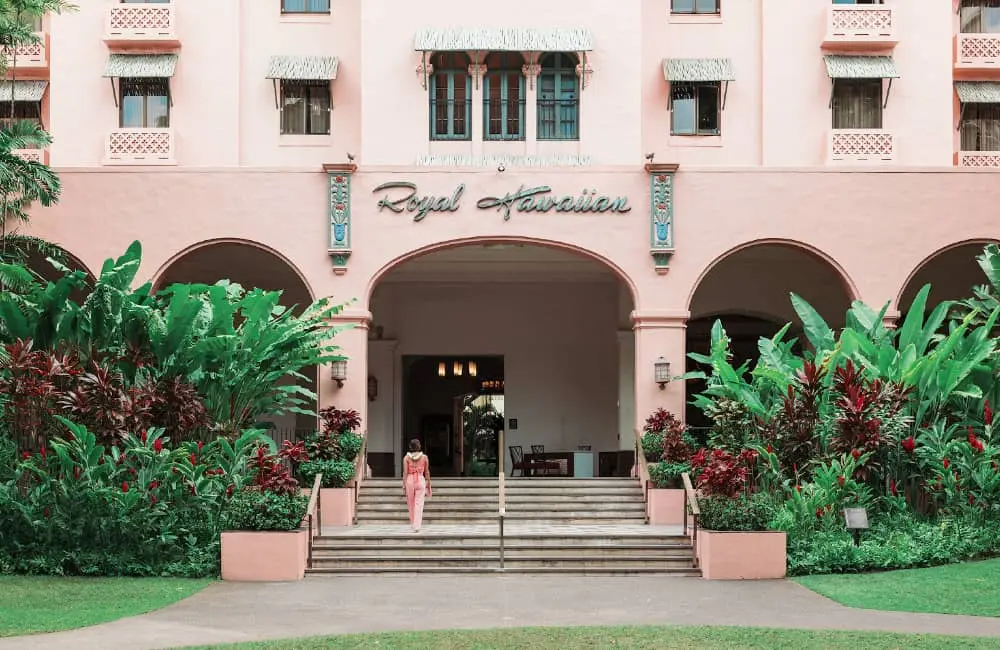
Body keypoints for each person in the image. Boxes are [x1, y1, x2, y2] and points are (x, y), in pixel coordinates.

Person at [403, 438, 431, 532]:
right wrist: (429, 485)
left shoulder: (406, 458)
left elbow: (405, 473)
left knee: (410, 503)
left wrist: (404, 485)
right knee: (419, 504)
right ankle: (417, 526)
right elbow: (427, 472)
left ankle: (413, 523)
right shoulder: (424, 457)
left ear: (410, 447)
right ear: (419, 446)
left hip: (410, 480)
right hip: (420, 479)